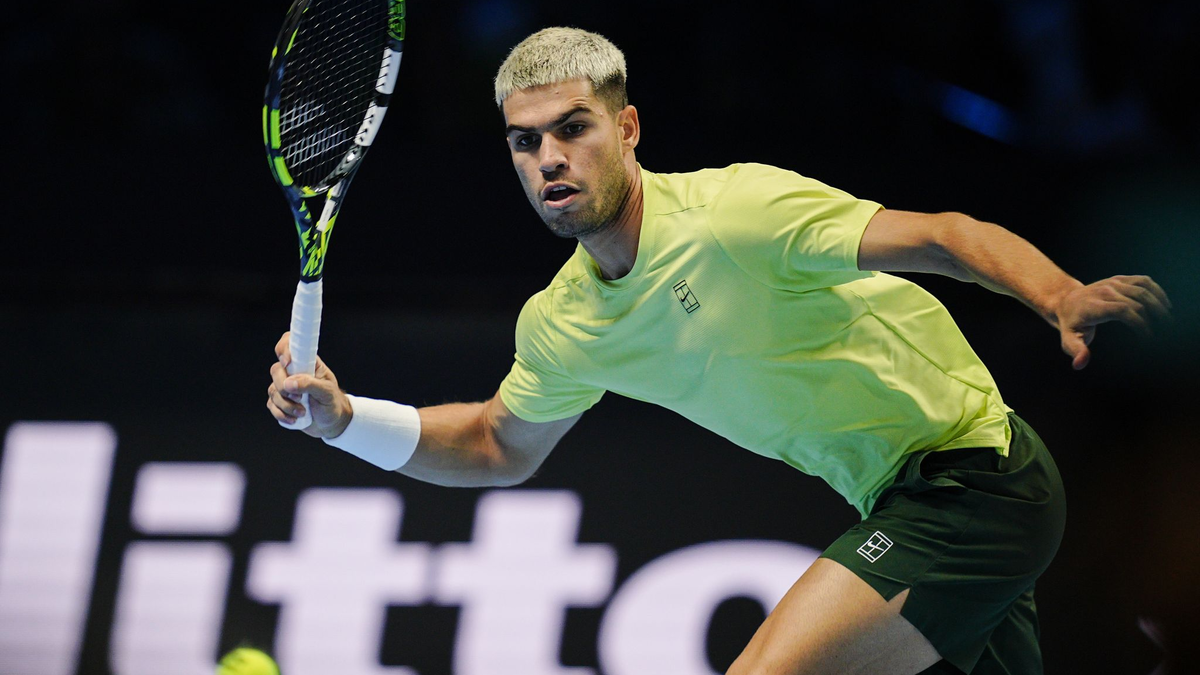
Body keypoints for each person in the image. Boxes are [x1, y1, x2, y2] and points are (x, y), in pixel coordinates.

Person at [266, 27, 1171, 675]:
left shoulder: (737, 213)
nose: (549, 157)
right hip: (902, 498)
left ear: (625, 130)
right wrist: (344, 421)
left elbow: (941, 234)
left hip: (975, 479)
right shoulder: (564, 322)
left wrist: (1058, 293)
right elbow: (500, 445)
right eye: (524, 140)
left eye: (573, 127)